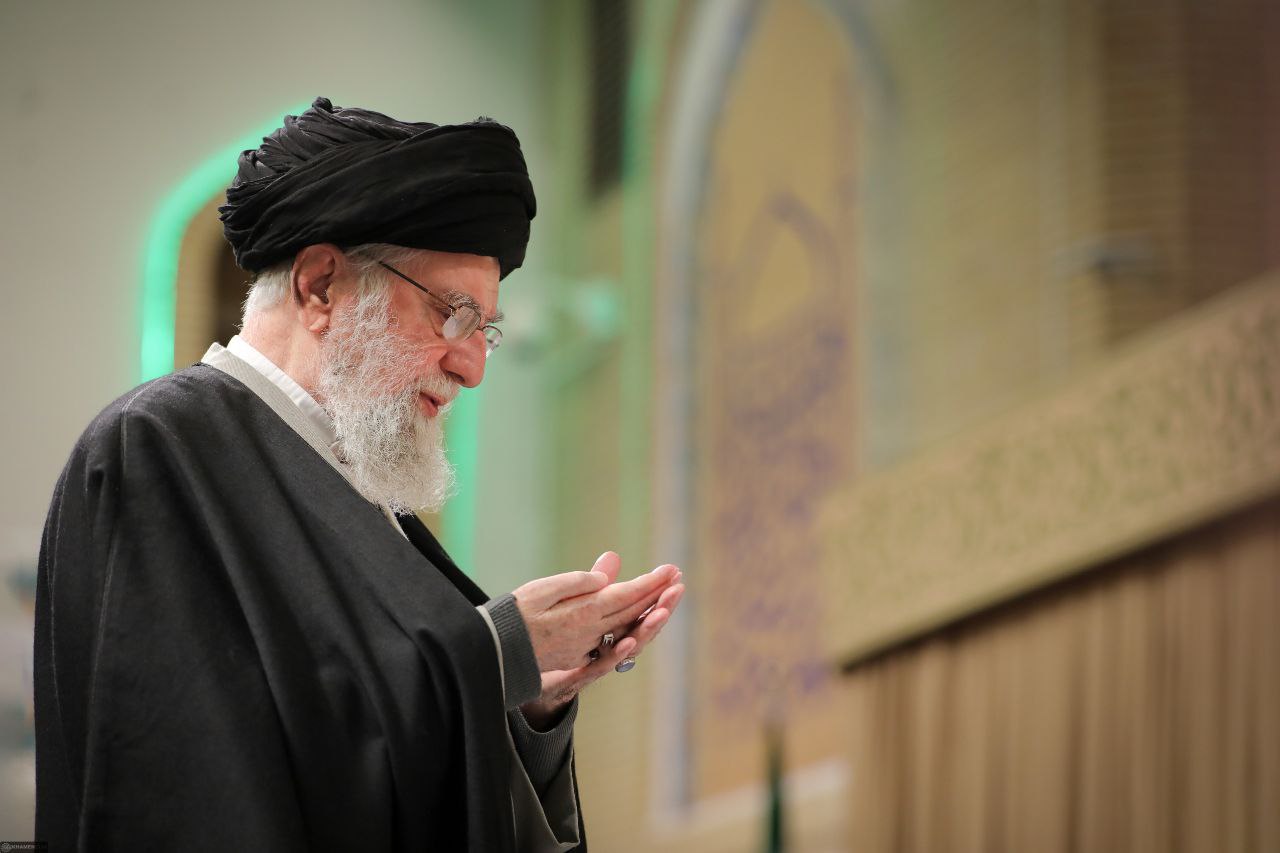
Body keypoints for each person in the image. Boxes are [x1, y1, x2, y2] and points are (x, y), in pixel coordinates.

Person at [33, 97, 684, 852]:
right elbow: (196, 769)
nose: (472, 367)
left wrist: (523, 705)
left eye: (487, 331)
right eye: (453, 315)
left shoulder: (361, 492)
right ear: (321, 286)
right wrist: (498, 653)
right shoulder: (157, 447)